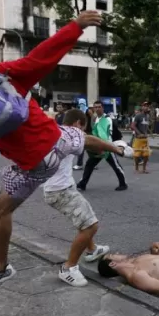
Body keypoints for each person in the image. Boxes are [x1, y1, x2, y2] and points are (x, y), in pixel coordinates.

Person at [0, 11, 127, 290]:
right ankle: (118, 150)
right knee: (81, 137)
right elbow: (43, 57)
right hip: (55, 140)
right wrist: (75, 27)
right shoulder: (2, 73)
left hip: (31, 167)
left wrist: (0, 142)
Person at [44, 109, 110, 287]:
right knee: (90, 225)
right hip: (60, 190)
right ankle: (68, 268)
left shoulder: (57, 133)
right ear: (77, 124)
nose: (83, 132)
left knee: (83, 219)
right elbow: (90, 141)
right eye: (83, 127)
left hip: (60, 187)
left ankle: (92, 249)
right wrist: (116, 148)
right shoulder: (67, 134)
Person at [76, 100, 127, 191]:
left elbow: (107, 133)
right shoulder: (96, 119)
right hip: (98, 146)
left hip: (107, 147)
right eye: (96, 107)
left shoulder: (107, 119)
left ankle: (123, 184)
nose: (97, 109)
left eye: (99, 107)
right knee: (89, 165)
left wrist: (107, 145)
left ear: (103, 108)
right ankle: (82, 184)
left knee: (115, 165)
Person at [131, 102, 151, 173]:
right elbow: (133, 126)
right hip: (138, 139)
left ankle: (144, 169)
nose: (146, 107)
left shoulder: (147, 116)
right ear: (142, 107)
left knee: (146, 154)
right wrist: (139, 133)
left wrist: (150, 132)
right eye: (145, 106)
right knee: (137, 155)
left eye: (147, 106)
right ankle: (136, 168)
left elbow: (146, 126)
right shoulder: (138, 116)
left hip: (145, 139)